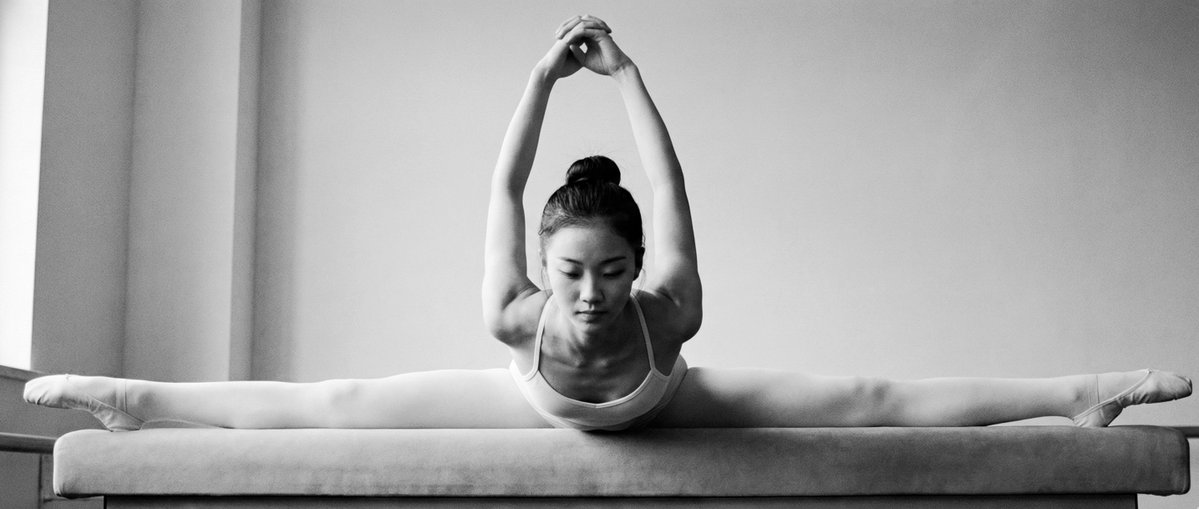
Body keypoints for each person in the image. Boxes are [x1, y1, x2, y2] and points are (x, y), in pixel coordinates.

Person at [25, 15, 1191, 432]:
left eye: (611, 270)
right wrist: (540, 78)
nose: (591, 293)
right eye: (574, 271)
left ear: (637, 268)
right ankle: (132, 396)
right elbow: (500, 189)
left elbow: (669, 183)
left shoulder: (667, 308)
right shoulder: (512, 312)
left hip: (664, 402)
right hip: (536, 406)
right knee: (334, 403)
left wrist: (626, 72)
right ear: (545, 264)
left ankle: (1078, 388)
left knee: (872, 401)